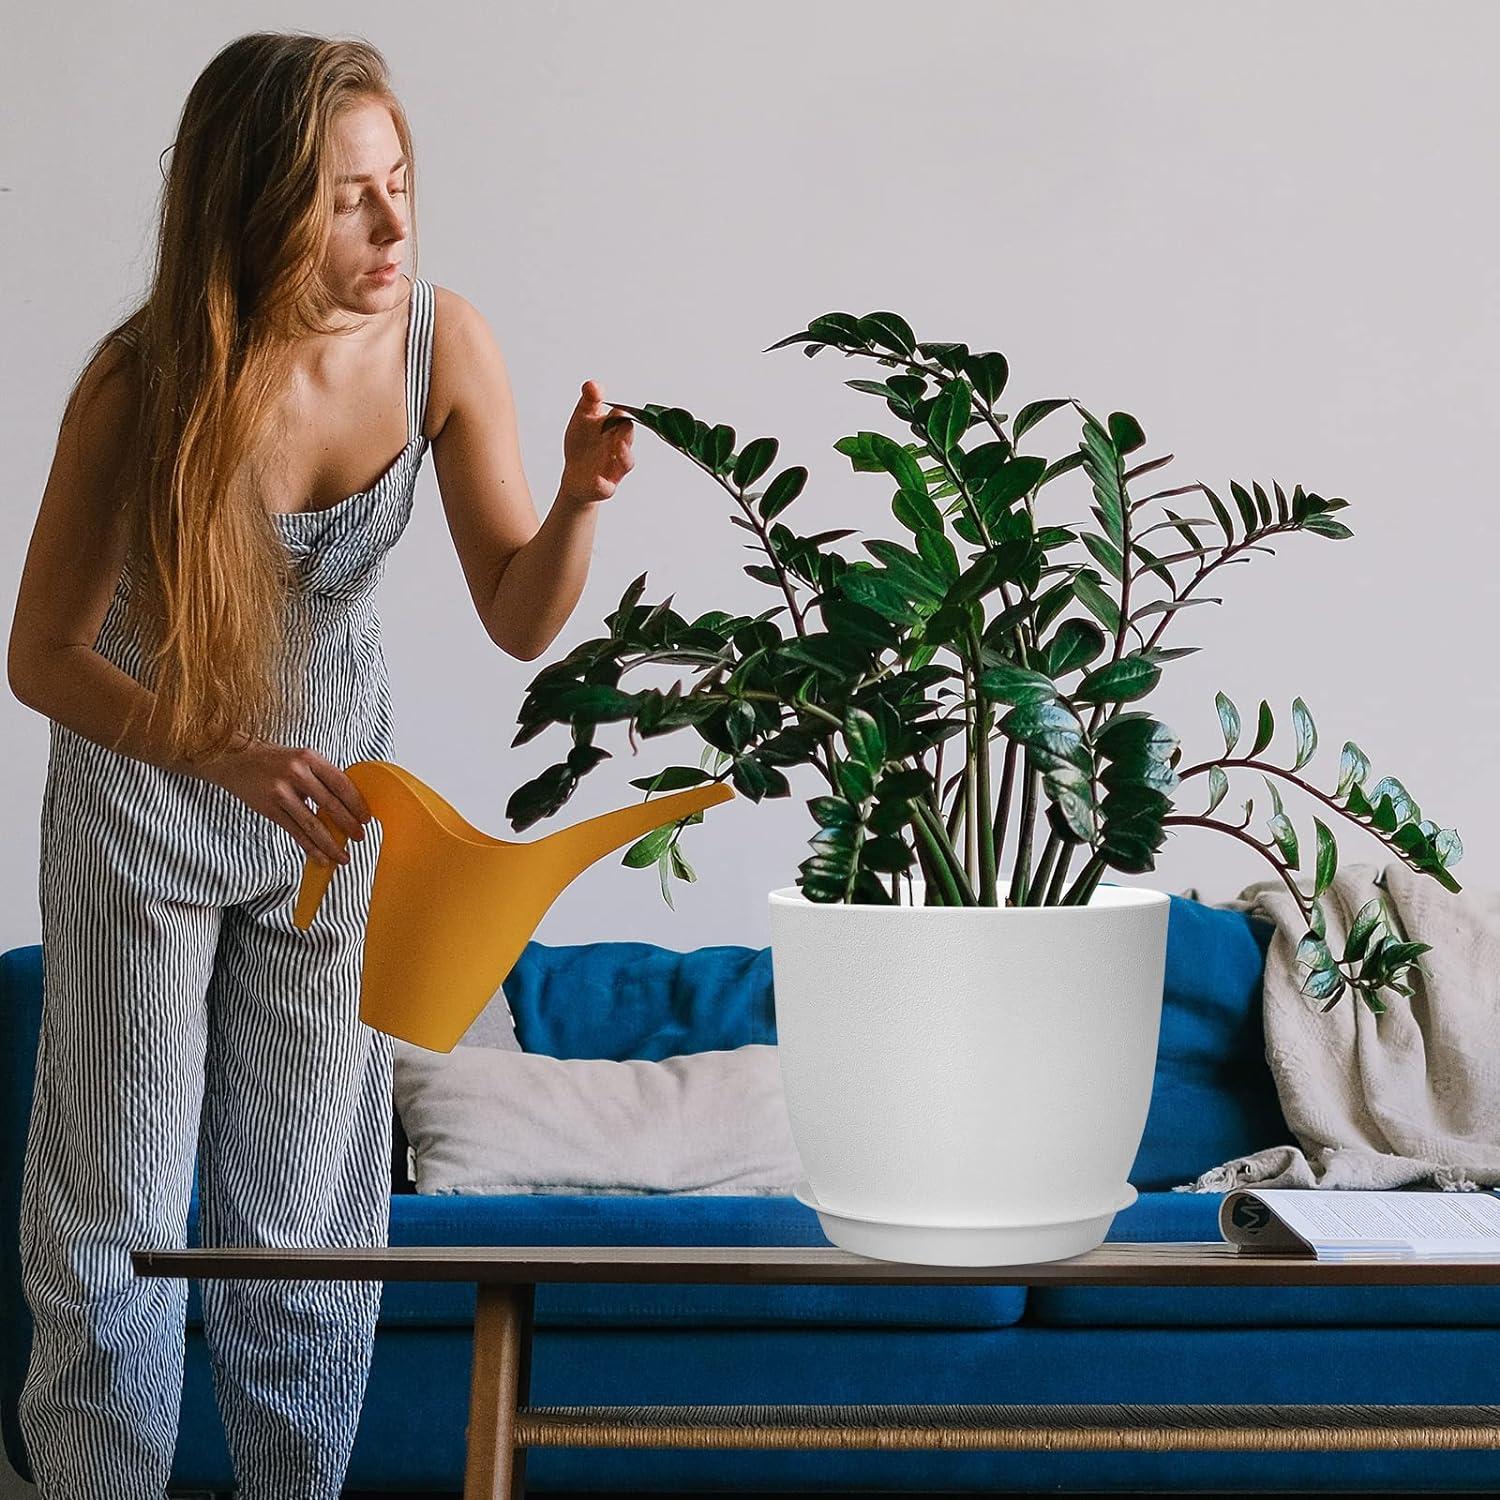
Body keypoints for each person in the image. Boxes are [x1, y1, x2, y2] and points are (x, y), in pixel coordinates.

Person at [4, 30, 634, 1500]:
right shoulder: (142, 381)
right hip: (145, 813)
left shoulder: (439, 344)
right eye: (350, 198)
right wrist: (219, 752)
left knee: (300, 1224)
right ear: (258, 206)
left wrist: (583, 504)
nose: (394, 226)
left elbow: (519, 616)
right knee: (117, 1226)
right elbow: (42, 657)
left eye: (401, 183)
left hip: (333, 834)